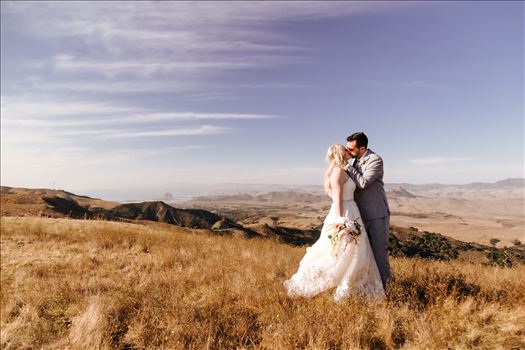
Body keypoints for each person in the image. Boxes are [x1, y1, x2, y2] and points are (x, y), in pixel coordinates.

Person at [283, 144, 384, 303]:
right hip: (344, 213)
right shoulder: (337, 172)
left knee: (355, 252)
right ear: (340, 153)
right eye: (345, 149)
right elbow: (338, 200)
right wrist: (341, 222)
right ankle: (340, 286)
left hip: (352, 210)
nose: (348, 150)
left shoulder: (344, 169)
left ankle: (354, 285)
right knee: (341, 251)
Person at [344, 132, 391, 289]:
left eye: (351, 149)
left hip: (376, 214)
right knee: (365, 256)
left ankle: (387, 290)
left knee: (379, 255)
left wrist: (348, 167)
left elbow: (363, 183)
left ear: (362, 148)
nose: (348, 151)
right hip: (360, 215)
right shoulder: (355, 161)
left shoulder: (375, 160)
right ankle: (370, 288)